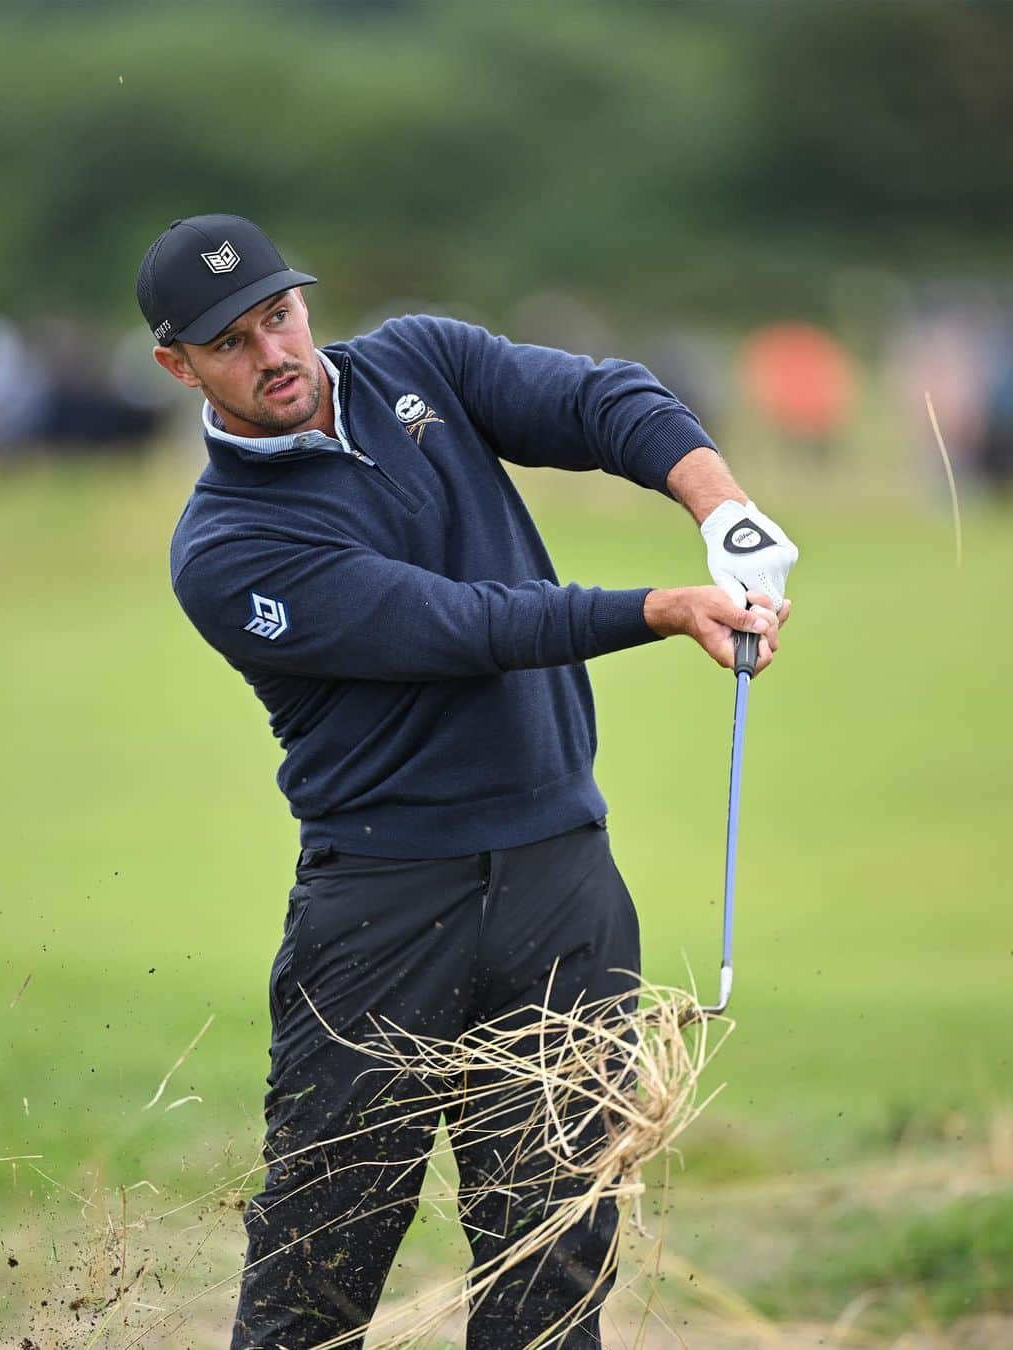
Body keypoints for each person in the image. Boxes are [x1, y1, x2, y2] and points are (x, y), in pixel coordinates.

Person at [136, 214, 797, 1349]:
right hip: (384, 912)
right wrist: (662, 609)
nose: (275, 353)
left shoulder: (416, 364)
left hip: (561, 887)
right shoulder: (226, 548)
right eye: (234, 343)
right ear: (179, 366)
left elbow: (601, 401)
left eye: (280, 316)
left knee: (554, 1259)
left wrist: (723, 508)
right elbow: (450, 626)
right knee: (318, 1271)